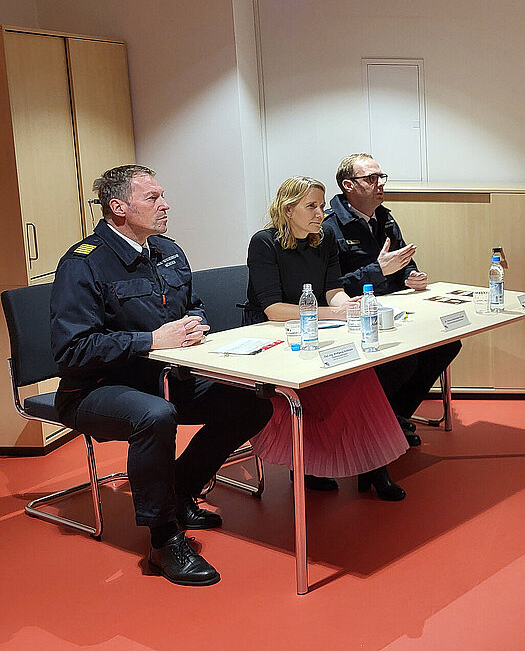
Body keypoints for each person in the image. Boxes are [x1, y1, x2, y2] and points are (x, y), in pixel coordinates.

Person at [51, 165, 273, 586]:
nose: (165, 205)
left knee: (252, 402)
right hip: (96, 388)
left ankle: (180, 491)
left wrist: (194, 323)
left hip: (168, 377)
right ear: (118, 207)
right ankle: (163, 539)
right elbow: (72, 350)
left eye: (162, 195)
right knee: (154, 416)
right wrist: (151, 340)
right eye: (152, 198)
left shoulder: (167, 251)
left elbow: (193, 304)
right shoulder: (84, 264)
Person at [244, 176, 408, 501]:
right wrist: (332, 313)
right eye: (311, 207)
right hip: (271, 336)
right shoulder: (264, 242)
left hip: (315, 328)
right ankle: (311, 463)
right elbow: (273, 309)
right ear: (288, 210)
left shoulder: (325, 237)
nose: (321, 213)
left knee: (361, 376)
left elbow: (333, 289)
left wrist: (348, 306)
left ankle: (373, 467)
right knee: (332, 383)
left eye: (321, 206)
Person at [323, 152, 462, 442]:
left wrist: (411, 275)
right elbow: (331, 288)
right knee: (403, 361)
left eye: (381, 177)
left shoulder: (385, 217)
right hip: (354, 318)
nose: (380, 184)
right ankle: (375, 427)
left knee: (447, 344)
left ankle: (393, 418)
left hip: (393, 311)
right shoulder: (329, 227)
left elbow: (402, 262)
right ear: (349, 185)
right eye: (371, 178)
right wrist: (378, 271)